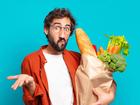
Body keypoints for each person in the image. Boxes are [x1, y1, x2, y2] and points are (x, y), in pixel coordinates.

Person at [7, 8, 116, 105]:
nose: (62, 35)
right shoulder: (30, 60)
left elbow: (103, 80)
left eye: (67, 28)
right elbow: (31, 103)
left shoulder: (78, 58)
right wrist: (31, 86)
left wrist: (110, 95)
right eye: (57, 27)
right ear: (46, 29)